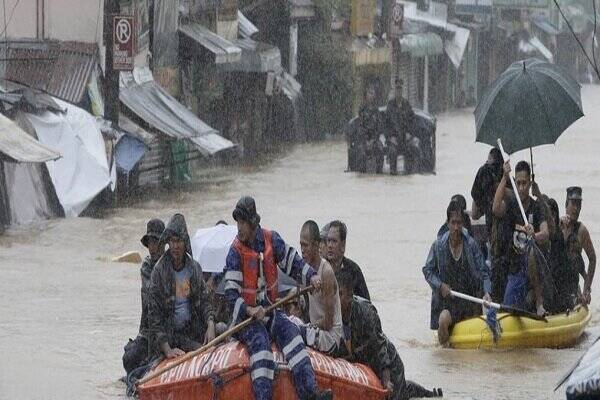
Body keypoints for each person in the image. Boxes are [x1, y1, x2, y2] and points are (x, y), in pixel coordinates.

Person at [223, 196, 332, 400]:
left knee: (292, 336)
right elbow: (231, 295)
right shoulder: (235, 253)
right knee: (261, 346)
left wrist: (312, 275)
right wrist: (249, 310)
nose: (239, 227)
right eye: (238, 222)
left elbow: (293, 262)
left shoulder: (271, 239)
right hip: (246, 320)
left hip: (271, 311)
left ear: (253, 223)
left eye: (243, 222)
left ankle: (311, 393)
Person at [338, 273, 442, 399]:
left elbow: (380, 348)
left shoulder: (366, 312)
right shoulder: (331, 312)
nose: (336, 299)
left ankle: (429, 395)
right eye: (334, 294)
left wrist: (386, 380)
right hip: (363, 362)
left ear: (349, 295)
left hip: (389, 365)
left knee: (397, 394)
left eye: (340, 294)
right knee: (401, 391)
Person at [423, 200, 492, 346]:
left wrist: (487, 293)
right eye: (453, 223)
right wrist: (440, 285)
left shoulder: (471, 245)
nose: (456, 228)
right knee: (442, 320)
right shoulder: (438, 246)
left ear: (463, 224)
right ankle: (446, 355)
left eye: (459, 223)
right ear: (447, 224)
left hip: (469, 300)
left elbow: (484, 273)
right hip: (447, 302)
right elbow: (428, 271)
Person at [148, 214, 216, 359]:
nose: (175, 246)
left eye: (179, 241)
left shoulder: (194, 268)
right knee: (202, 350)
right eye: (172, 241)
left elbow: (204, 301)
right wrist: (168, 350)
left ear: (185, 243)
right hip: (171, 334)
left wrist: (210, 325)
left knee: (221, 329)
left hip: (192, 327)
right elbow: (154, 316)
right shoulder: (159, 272)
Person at [492, 161, 549, 316]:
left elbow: (545, 233)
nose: (522, 188)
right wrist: (504, 177)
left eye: (525, 183)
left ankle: (539, 303)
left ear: (530, 183)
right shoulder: (512, 204)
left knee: (530, 250)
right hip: (516, 269)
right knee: (508, 309)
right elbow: (496, 209)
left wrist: (534, 235)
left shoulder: (536, 207)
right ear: (515, 184)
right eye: (518, 183)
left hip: (535, 266)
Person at [122, 218, 165, 375]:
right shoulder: (147, 267)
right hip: (149, 330)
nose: (153, 247)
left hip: (171, 326)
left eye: (156, 242)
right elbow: (152, 296)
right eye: (150, 243)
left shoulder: (172, 263)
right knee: (129, 358)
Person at [298, 220, 344, 354]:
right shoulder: (304, 270)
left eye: (306, 245)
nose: (302, 250)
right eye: (301, 245)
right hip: (315, 331)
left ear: (316, 245)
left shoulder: (326, 272)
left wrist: (307, 327)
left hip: (330, 337)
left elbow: (328, 323)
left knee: (294, 331)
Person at [561, 186, 596, 306]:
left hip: (572, 285)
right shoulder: (557, 225)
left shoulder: (581, 231)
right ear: (566, 204)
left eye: (579, 205)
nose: (576, 209)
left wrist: (587, 289)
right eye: (573, 204)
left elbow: (592, 259)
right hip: (556, 282)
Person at [325, 220, 371, 300]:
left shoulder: (353, 270)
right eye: (328, 241)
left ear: (343, 245)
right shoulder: (321, 268)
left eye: (334, 241)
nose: (330, 245)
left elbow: (366, 303)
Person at [384, 78, 416, 175]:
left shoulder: (407, 105)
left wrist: (409, 134)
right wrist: (390, 137)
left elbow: (413, 122)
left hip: (405, 139)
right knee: (392, 151)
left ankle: (409, 173)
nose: (399, 91)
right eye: (397, 89)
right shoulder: (390, 105)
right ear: (394, 90)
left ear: (403, 90)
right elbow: (385, 124)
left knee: (412, 148)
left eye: (400, 89)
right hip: (394, 140)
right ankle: (393, 174)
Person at [356, 83, 385, 173]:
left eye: (372, 93)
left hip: (375, 139)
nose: (371, 95)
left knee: (380, 149)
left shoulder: (376, 110)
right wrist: (366, 140)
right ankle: (362, 175)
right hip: (364, 139)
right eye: (369, 93)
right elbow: (360, 126)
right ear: (366, 95)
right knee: (361, 152)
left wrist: (373, 140)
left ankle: (379, 173)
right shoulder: (362, 109)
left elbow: (379, 128)